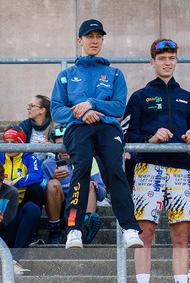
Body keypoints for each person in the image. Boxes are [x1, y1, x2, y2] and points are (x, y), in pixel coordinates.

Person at [124, 38, 190, 283]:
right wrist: (151, 138)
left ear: (177, 61)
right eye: (161, 58)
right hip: (148, 168)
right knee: (144, 233)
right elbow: (127, 136)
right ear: (152, 62)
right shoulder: (139, 97)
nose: (167, 62)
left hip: (181, 170)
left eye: (171, 57)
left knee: (181, 235)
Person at [51, 19, 144, 251]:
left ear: (102, 40)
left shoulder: (114, 74)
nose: (94, 41)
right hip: (78, 129)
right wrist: (82, 114)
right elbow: (56, 110)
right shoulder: (66, 75)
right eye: (89, 36)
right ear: (79, 40)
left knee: (115, 168)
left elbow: (119, 108)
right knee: (81, 168)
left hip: (107, 128)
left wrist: (91, 105)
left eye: (98, 37)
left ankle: (130, 228)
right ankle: (73, 228)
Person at [36, 126, 106, 246]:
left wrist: (95, 186)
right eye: (59, 144)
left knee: (88, 184)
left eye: (67, 143)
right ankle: (55, 231)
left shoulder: (89, 160)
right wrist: (52, 178)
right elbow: (39, 192)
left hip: (79, 209)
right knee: (53, 184)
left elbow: (102, 194)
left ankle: (86, 225)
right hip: (61, 210)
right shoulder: (48, 164)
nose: (64, 149)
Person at [0, 127, 45, 210]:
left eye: (13, 142)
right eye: (6, 142)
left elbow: (37, 176)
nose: (9, 146)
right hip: (2, 203)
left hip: (23, 203)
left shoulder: (29, 158)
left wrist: (13, 182)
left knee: (36, 189)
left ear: (21, 143)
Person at [17, 94, 54, 164]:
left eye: (32, 106)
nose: (28, 108)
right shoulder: (24, 126)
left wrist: (50, 147)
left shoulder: (54, 128)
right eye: (29, 105)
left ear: (42, 110)